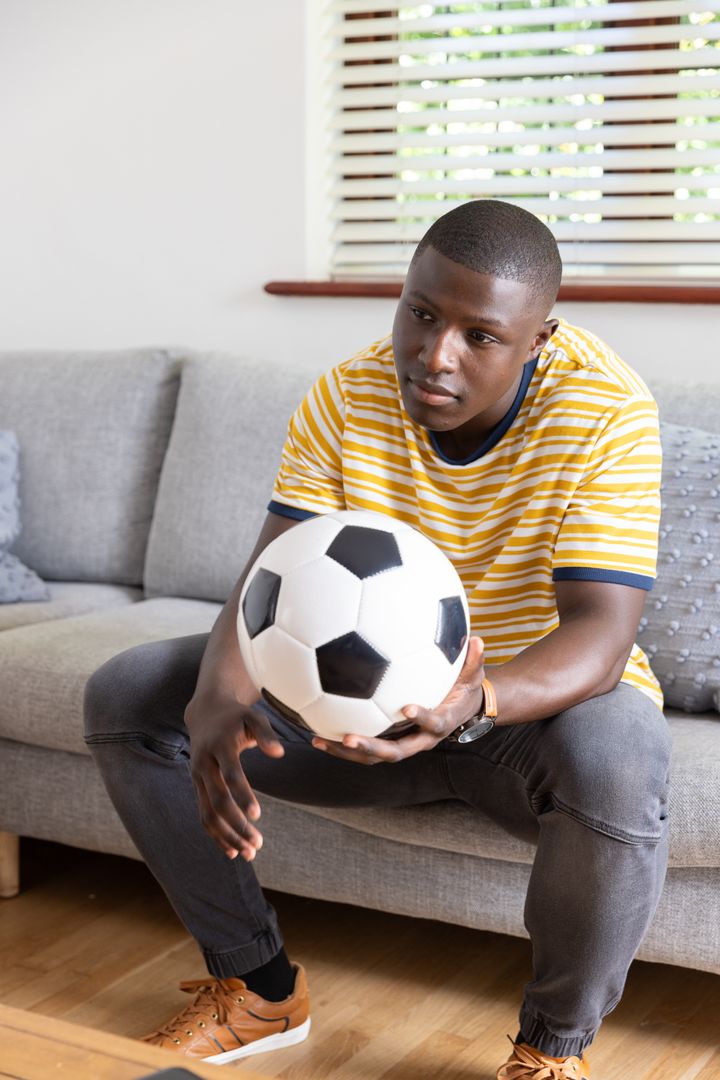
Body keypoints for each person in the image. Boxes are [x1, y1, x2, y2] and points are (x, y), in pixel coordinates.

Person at [83, 200, 671, 1080]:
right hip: (341, 712)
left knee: (622, 750)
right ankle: (259, 990)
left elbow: (601, 634)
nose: (436, 356)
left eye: (482, 337)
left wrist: (472, 701)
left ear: (539, 338)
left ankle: (550, 1053)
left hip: (520, 720)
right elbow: (268, 580)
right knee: (131, 695)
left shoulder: (606, 411)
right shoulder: (346, 395)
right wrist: (216, 699)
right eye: (423, 314)